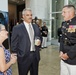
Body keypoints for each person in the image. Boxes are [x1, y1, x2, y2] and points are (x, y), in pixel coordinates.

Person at [11, 8, 42, 75]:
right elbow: (14, 43)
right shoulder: (17, 28)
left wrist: (39, 42)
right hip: (23, 57)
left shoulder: (36, 26)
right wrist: (15, 55)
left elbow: (40, 37)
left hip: (35, 56)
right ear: (23, 16)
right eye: (27, 15)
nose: (30, 17)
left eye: (31, 15)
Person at [59, 5, 76, 75]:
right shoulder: (64, 24)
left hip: (74, 59)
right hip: (63, 58)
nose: (62, 14)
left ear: (70, 13)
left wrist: (69, 55)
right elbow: (62, 38)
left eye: (64, 12)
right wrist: (61, 51)